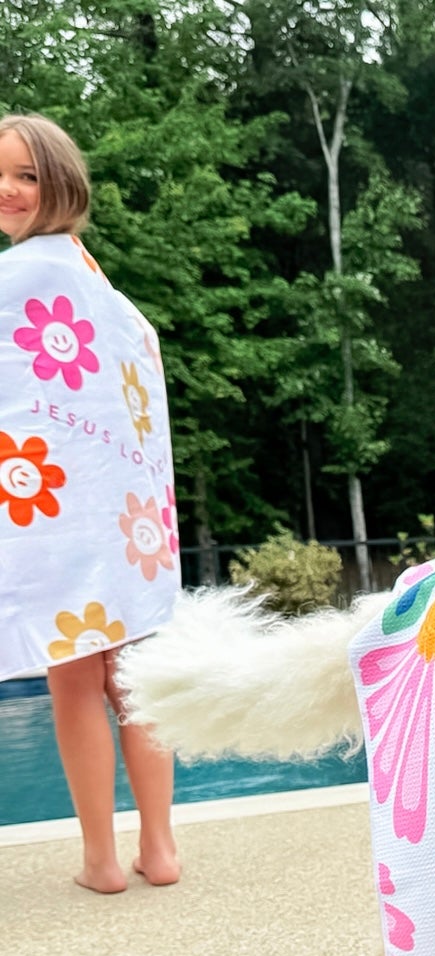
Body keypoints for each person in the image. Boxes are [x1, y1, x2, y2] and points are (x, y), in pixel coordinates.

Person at [0, 114, 180, 891]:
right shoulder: (112, 296)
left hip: (55, 511)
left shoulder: (17, 279)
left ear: (61, 182)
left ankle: (102, 860)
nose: (8, 189)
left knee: (74, 679)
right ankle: (160, 849)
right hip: (128, 519)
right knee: (134, 679)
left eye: (26, 174)